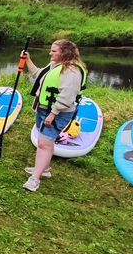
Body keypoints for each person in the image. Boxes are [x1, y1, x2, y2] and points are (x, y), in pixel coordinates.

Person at [22, 39, 87, 192]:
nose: (50, 53)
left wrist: (53, 114)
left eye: (54, 51)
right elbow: (38, 75)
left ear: (64, 53)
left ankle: (35, 179)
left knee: (44, 143)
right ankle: (45, 168)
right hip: (44, 109)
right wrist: (27, 60)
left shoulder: (72, 71)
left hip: (57, 113)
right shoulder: (55, 66)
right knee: (46, 141)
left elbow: (67, 96)